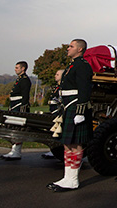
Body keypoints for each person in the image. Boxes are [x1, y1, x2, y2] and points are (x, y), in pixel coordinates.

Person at [47, 39, 93, 192]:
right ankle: (67, 176)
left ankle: (73, 179)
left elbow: (84, 89)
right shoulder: (71, 65)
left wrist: (80, 112)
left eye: (71, 46)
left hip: (75, 107)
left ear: (80, 49)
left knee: (76, 144)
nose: (68, 48)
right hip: (67, 106)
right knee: (67, 143)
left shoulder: (83, 66)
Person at [0, 61, 32, 161]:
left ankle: (16, 152)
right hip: (14, 105)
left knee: (17, 128)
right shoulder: (20, 79)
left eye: (17, 67)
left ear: (23, 69)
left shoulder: (25, 80)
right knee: (13, 127)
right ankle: (14, 150)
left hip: (18, 106)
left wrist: (22, 109)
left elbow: (25, 96)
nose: (15, 69)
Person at [41, 69, 64, 159]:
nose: (55, 75)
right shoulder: (56, 87)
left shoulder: (63, 87)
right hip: (53, 110)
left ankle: (56, 149)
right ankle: (53, 149)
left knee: (57, 131)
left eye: (57, 74)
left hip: (58, 111)